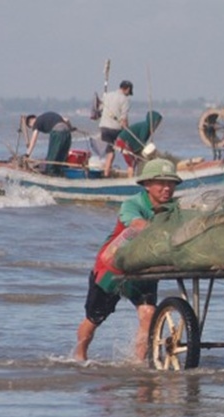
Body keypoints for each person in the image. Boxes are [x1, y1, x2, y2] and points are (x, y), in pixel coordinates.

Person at [74, 158, 182, 362]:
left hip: (145, 268)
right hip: (112, 267)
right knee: (95, 318)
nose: (167, 188)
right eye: (161, 183)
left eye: (171, 183)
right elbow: (137, 224)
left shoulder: (175, 208)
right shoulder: (132, 204)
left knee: (149, 314)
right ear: (147, 185)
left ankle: (139, 363)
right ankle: (79, 357)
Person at [99, 80, 134, 177]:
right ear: (127, 89)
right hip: (116, 129)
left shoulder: (107, 95)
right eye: (129, 93)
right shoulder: (124, 100)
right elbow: (124, 119)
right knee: (126, 151)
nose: (128, 95)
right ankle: (130, 172)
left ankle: (106, 173)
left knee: (109, 152)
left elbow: (100, 109)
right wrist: (128, 131)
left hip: (104, 127)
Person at [115, 110, 163, 177]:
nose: (157, 125)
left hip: (127, 143)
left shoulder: (149, 128)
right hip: (123, 142)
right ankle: (130, 180)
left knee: (135, 161)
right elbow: (141, 141)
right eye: (156, 122)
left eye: (158, 123)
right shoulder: (146, 127)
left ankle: (134, 176)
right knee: (131, 163)